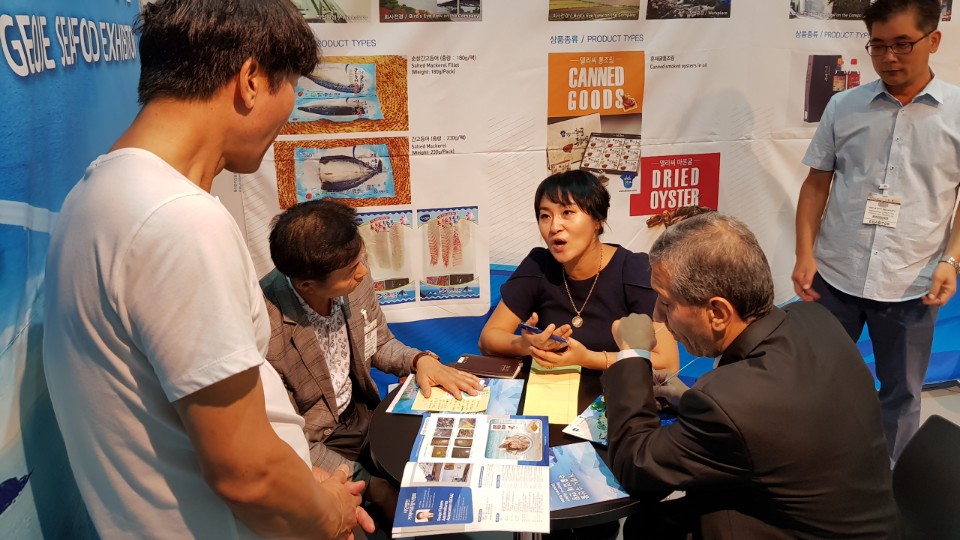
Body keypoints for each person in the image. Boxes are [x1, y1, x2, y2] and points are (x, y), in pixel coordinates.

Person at [42, 1, 373, 538]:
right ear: (251, 79)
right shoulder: (179, 220)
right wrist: (328, 513)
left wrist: (304, 483)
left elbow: (187, 425)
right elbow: (248, 476)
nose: (291, 109)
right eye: (291, 85)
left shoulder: (96, 194)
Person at [603, 213, 898, 538]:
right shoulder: (814, 318)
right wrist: (687, 398)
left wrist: (633, 353)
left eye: (667, 302)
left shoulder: (731, 402)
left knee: (648, 528)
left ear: (717, 313)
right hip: (860, 519)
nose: (657, 315)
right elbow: (776, 420)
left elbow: (636, 467)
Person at [793, 0, 960, 461]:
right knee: (815, 379)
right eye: (878, 45)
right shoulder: (843, 105)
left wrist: (952, 259)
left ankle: (889, 484)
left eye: (903, 44)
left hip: (912, 280)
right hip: (835, 275)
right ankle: (811, 468)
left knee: (901, 393)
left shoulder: (957, 112)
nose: (889, 57)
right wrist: (805, 253)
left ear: (933, 40)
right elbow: (816, 184)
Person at [261, 199, 482, 478]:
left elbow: (377, 343)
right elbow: (287, 440)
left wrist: (419, 360)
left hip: (361, 413)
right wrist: (366, 484)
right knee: (388, 493)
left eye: (360, 260)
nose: (363, 272)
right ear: (306, 285)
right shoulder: (265, 329)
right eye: (351, 271)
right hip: (314, 442)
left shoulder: (349, 267)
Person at [478, 169, 679, 372]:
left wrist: (588, 358)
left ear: (598, 220)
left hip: (615, 389)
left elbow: (667, 362)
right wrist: (527, 345)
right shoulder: (538, 265)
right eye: (545, 215)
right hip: (551, 388)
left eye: (567, 213)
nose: (554, 226)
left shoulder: (634, 270)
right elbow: (488, 338)